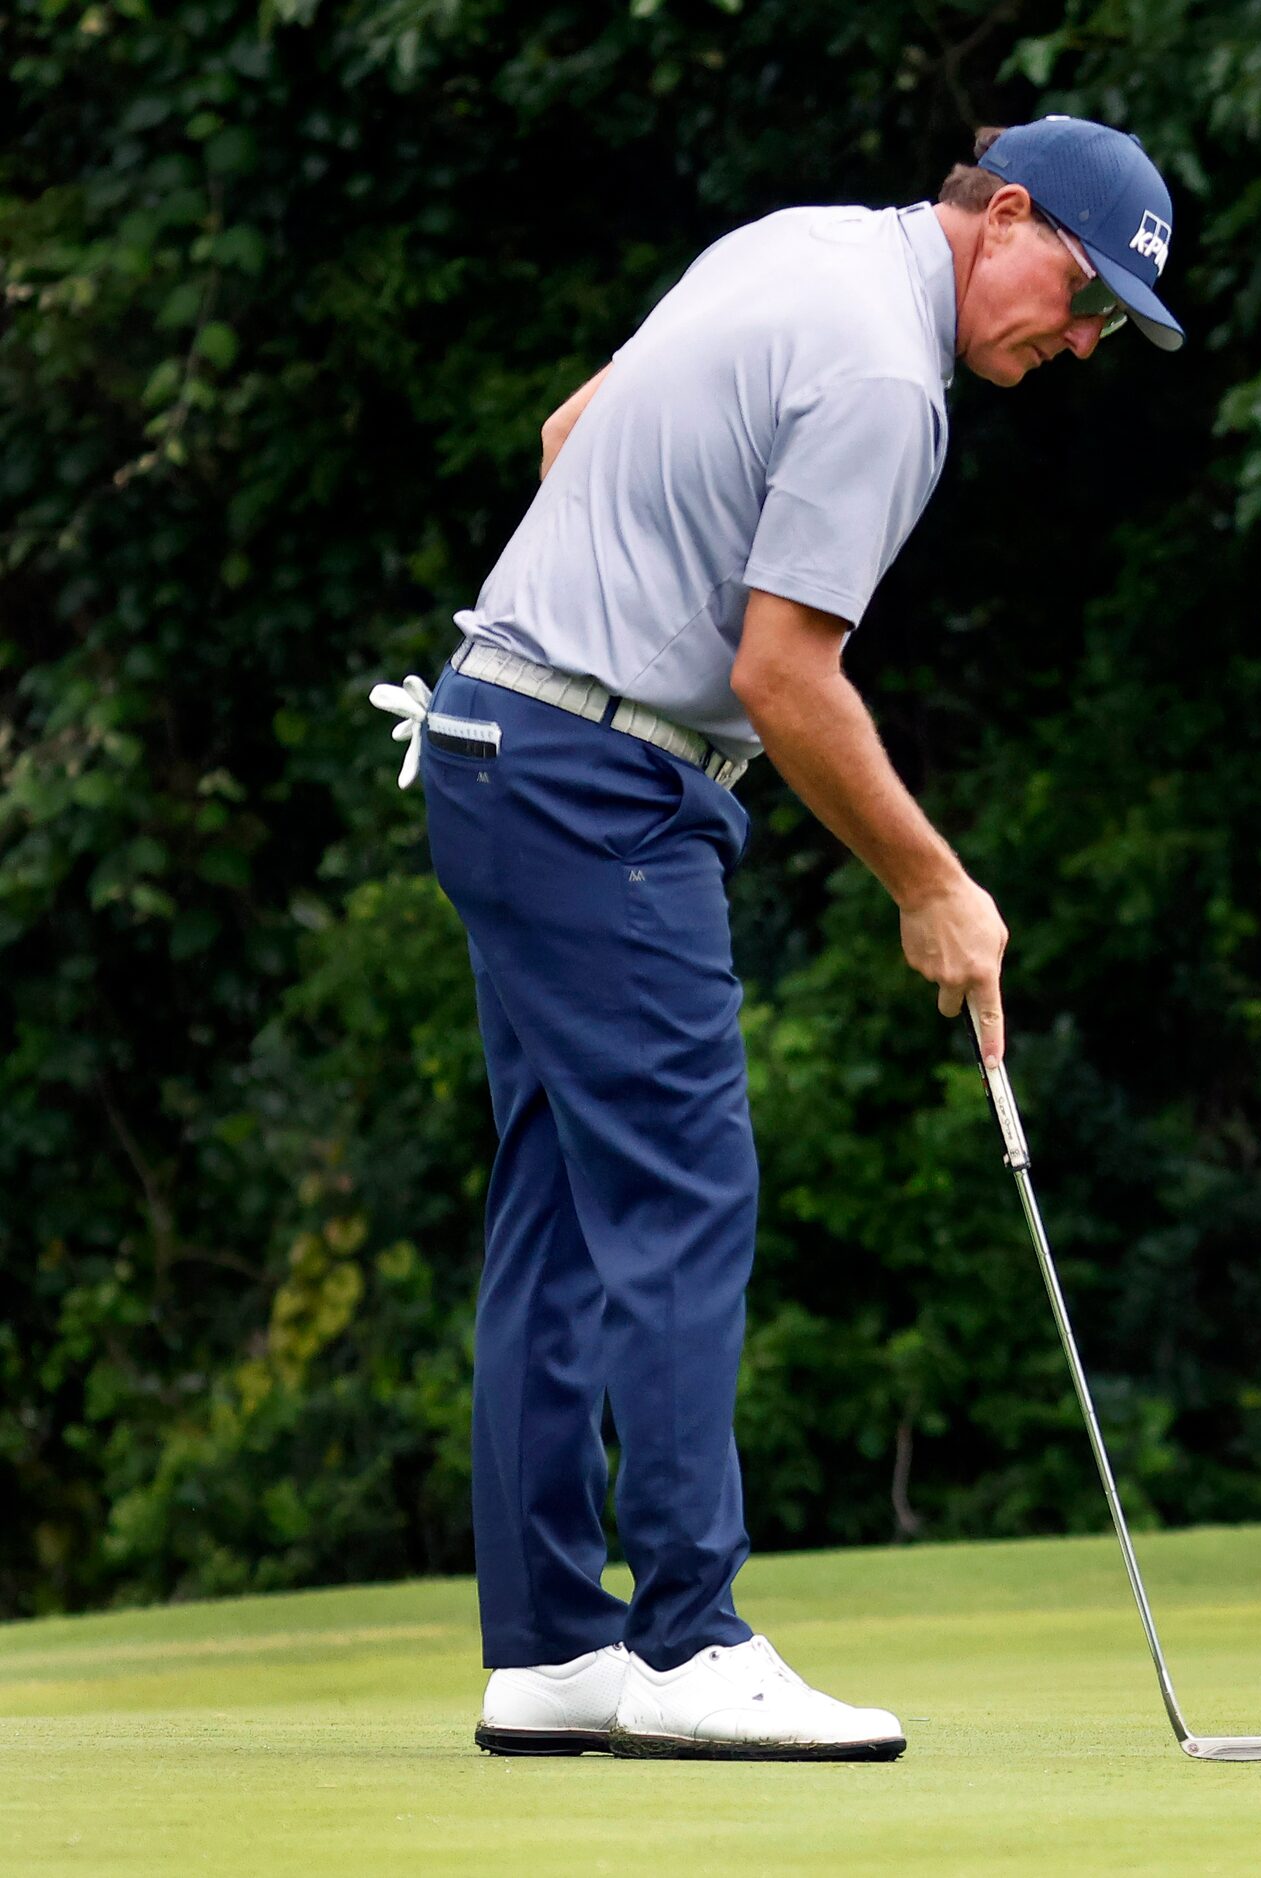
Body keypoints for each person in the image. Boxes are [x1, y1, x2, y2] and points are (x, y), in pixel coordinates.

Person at [369, 116, 1187, 1762]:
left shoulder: (793, 243)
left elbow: (571, 431)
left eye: (1109, 328)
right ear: (1004, 214)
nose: (1080, 340)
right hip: (600, 785)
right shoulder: (891, 376)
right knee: (681, 1187)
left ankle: (549, 1647)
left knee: (559, 1197)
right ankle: (686, 1637)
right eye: (1081, 293)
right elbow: (784, 677)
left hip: (495, 740)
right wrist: (934, 884)